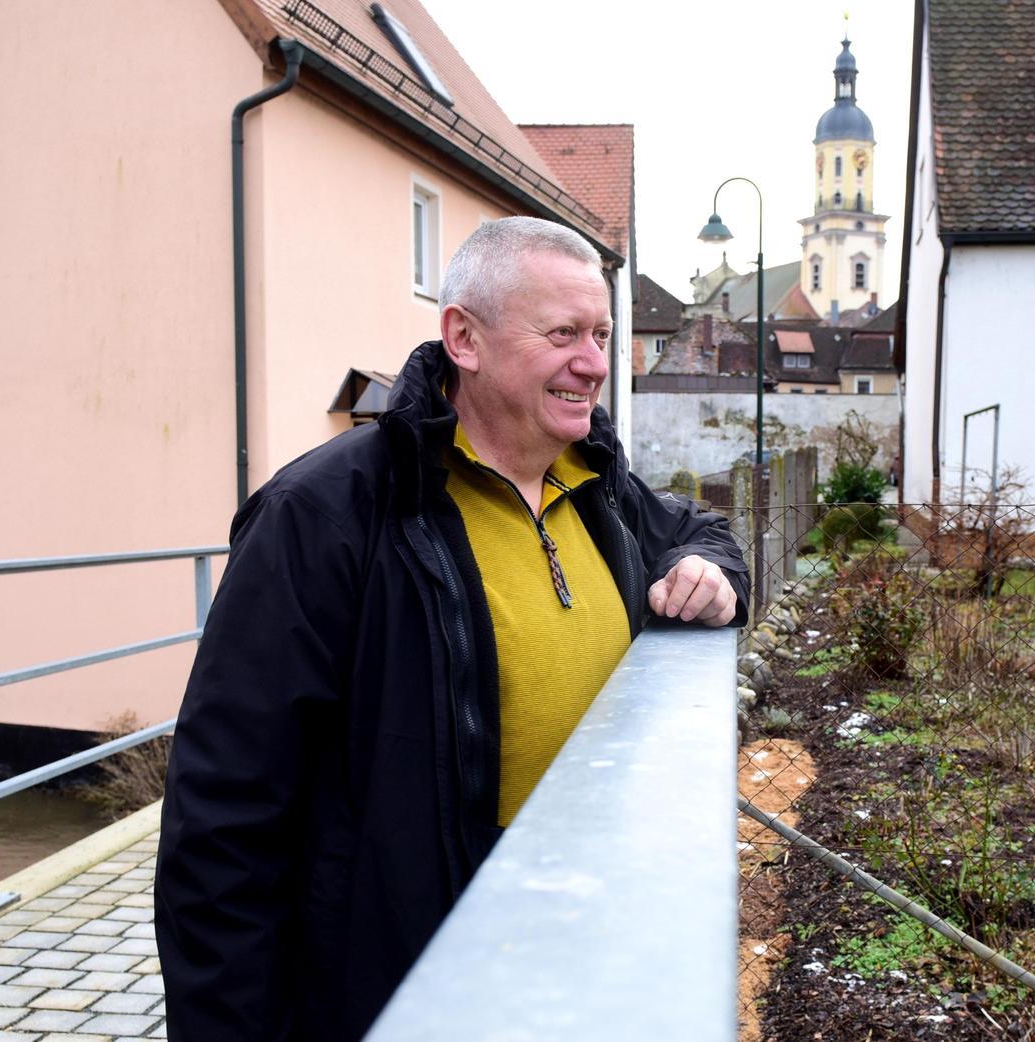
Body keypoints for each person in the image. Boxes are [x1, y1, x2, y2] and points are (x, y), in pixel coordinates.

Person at [156, 216, 748, 1039]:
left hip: (575, 941)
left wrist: (715, 576)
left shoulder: (595, 484)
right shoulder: (325, 514)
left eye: (603, 334)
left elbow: (703, 531)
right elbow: (222, 816)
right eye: (564, 333)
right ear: (464, 338)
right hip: (404, 979)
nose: (595, 363)